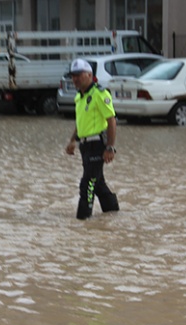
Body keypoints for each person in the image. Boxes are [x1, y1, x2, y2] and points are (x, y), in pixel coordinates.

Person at [65, 58, 119, 220]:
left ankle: (83, 220)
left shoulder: (100, 94)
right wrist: (73, 140)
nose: (75, 79)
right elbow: (81, 122)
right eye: (73, 76)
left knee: (87, 183)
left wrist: (110, 147)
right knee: (98, 184)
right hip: (85, 145)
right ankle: (113, 212)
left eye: (79, 75)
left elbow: (111, 120)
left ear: (89, 75)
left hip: (98, 145)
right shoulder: (79, 97)